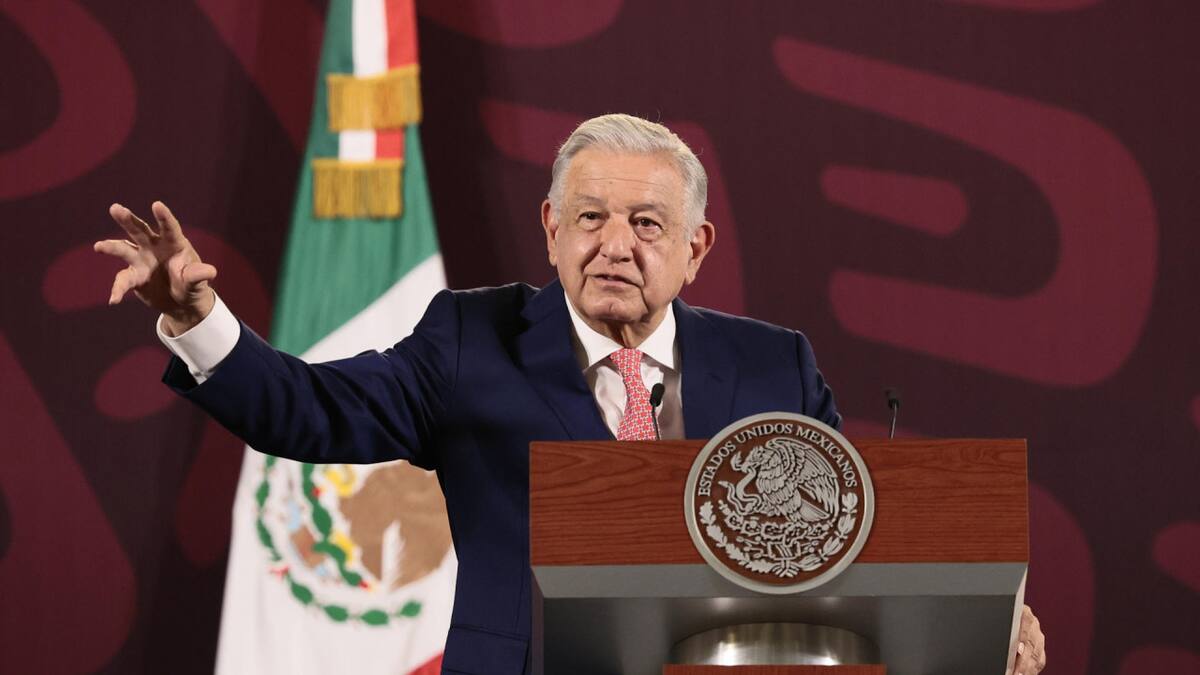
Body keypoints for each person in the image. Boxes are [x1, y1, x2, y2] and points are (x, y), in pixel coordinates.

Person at [96, 114, 1046, 675]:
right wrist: (198, 315)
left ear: (695, 249)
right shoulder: (471, 342)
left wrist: (987, 613)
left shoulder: (774, 367)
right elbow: (307, 407)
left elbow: (858, 536)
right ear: (551, 229)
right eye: (589, 217)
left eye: (645, 222)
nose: (615, 244)